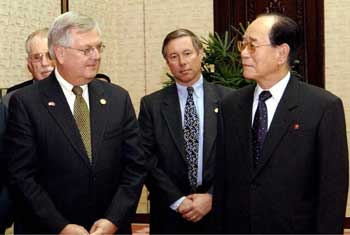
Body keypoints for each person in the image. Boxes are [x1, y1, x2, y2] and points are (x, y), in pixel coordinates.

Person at [5, 11, 146, 234]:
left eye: (99, 47)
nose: (96, 56)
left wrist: (114, 220)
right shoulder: (26, 103)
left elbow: (135, 167)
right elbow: (22, 176)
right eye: (86, 50)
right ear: (59, 53)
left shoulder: (118, 98)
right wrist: (61, 226)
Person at [213, 13, 348, 234]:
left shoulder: (322, 107)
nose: (243, 53)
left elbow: (332, 192)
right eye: (243, 44)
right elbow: (222, 184)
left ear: (281, 53)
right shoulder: (230, 106)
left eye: (253, 46)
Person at [138, 28, 233, 234]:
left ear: (200, 54)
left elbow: (238, 157)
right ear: (167, 63)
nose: (182, 62)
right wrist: (177, 200)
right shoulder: (152, 105)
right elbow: (146, 159)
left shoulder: (229, 100)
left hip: (217, 212)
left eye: (187, 53)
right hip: (169, 213)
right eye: (174, 56)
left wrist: (212, 197)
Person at [3, 28, 54, 107]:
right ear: (29, 64)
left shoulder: (77, 92)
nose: (44, 63)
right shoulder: (13, 98)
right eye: (37, 57)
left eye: (50, 55)